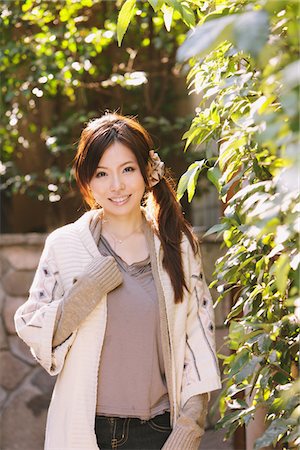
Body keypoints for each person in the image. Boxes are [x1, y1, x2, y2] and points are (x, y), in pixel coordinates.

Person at [14, 113, 222, 450]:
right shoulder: (66, 245)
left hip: (159, 432)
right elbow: (34, 331)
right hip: (85, 431)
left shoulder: (177, 245)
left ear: (146, 172)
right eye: (102, 174)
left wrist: (188, 431)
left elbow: (199, 343)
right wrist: (86, 291)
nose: (117, 186)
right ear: (88, 181)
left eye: (127, 169)